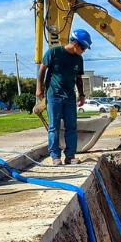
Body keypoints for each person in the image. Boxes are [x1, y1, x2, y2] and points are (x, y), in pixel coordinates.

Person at [36, 28, 90, 165]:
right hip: (54, 95)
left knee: (71, 126)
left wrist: (82, 95)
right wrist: (39, 88)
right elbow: (42, 69)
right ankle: (55, 156)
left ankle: (70, 156)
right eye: (83, 47)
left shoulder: (79, 59)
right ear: (75, 44)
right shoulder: (54, 52)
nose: (84, 51)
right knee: (54, 126)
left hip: (70, 96)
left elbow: (78, 78)